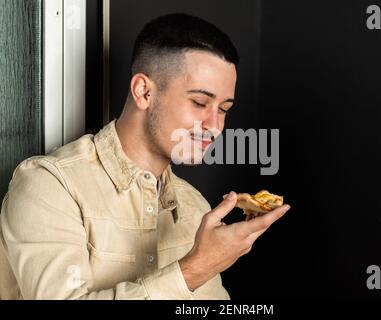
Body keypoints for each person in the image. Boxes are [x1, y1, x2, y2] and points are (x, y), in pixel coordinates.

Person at [0, 13, 290, 300]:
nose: (215, 126)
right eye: (200, 102)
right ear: (143, 92)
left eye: (224, 109)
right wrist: (195, 269)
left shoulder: (195, 207)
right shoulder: (50, 186)